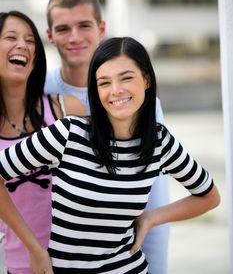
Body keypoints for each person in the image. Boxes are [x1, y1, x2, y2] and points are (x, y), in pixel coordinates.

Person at [0, 36, 220, 273]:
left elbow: (209, 197)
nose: (116, 91)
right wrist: (33, 248)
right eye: (104, 83)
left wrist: (151, 218)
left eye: (126, 78)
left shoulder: (159, 142)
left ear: (146, 79)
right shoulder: (68, 133)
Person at [44, 0, 169, 273]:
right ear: (49, 35)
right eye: (63, 28)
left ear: (101, 28)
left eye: (84, 25)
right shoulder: (37, 92)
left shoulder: (138, 100)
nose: (74, 37)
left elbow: (153, 200)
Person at [0, 10, 86, 274]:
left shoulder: (66, 109)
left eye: (30, 40)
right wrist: (36, 251)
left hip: (84, 256)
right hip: (25, 262)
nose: (22, 45)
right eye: (11, 37)